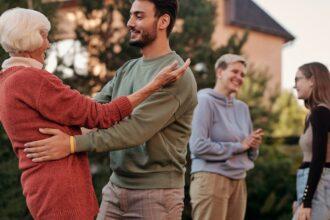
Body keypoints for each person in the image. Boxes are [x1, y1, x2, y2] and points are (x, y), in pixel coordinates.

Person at [0, 7, 189, 220]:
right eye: (44, 35)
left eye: (138, 15)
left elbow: (126, 126)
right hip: (69, 190)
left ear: (163, 21)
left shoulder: (7, 80)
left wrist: (72, 142)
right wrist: (153, 86)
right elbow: (98, 113)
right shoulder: (32, 79)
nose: (49, 43)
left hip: (152, 192)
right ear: (29, 38)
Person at [189, 54, 264, 220]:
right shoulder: (204, 101)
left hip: (238, 180)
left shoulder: (243, 108)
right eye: (235, 71)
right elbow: (197, 145)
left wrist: (253, 146)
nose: (239, 77)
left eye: (242, 74)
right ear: (220, 72)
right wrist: (240, 146)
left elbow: (249, 153)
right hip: (210, 179)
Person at [292, 62, 330, 220]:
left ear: (312, 80)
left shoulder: (320, 113)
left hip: (318, 186)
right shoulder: (315, 113)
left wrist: (306, 201)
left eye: (297, 79)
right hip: (316, 186)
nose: (295, 86)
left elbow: (319, 158)